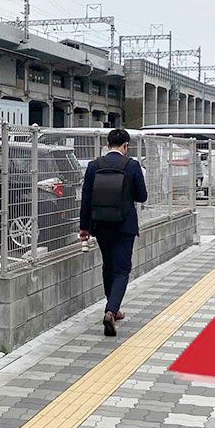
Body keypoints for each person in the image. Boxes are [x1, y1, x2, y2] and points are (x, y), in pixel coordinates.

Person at [79, 128, 149, 337]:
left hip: (100, 225)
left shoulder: (94, 166)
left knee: (108, 265)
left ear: (107, 144)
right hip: (124, 226)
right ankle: (111, 310)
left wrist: (85, 228)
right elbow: (142, 196)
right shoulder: (132, 165)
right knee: (121, 270)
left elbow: (86, 199)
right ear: (125, 145)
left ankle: (113, 307)